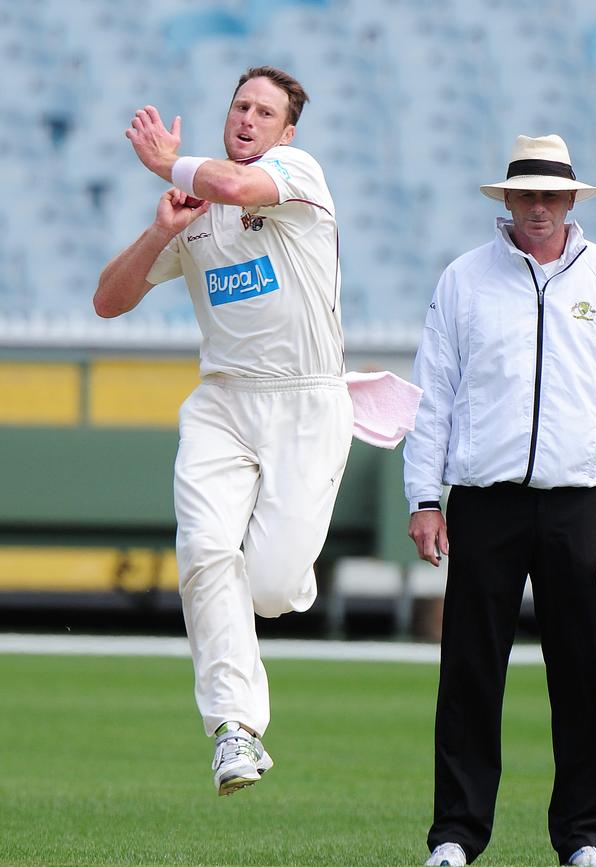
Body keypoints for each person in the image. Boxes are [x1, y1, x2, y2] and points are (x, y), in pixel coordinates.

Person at [93, 66, 355, 796]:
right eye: (239, 105)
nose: (247, 119)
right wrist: (158, 232)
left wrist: (162, 163)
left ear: (286, 132)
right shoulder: (193, 207)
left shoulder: (297, 173)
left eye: (264, 112)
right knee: (206, 550)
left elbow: (239, 188)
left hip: (307, 402)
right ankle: (234, 728)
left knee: (269, 588)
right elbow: (108, 302)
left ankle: (275, 582)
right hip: (223, 403)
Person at [404, 134, 596, 867]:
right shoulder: (464, 280)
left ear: (571, 200)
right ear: (506, 199)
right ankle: (455, 834)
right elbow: (432, 394)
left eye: (552, 194)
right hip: (484, 500)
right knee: (471, 670)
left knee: (583, 674)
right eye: (526, 193)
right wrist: (425, 495)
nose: (539, 206)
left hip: (579, 501)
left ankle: (584, 838)